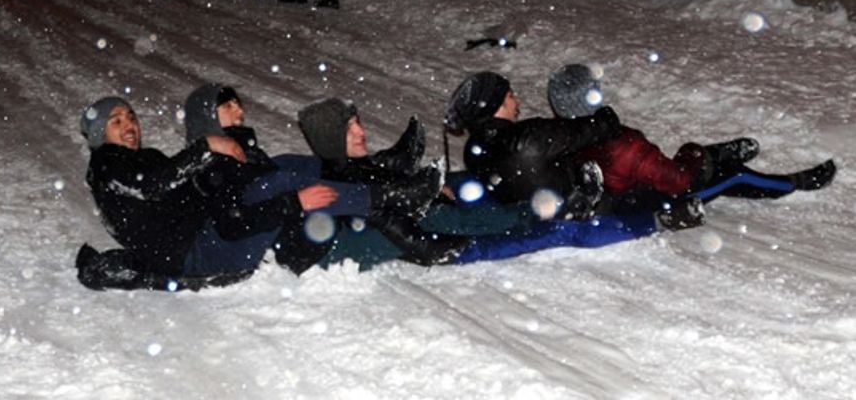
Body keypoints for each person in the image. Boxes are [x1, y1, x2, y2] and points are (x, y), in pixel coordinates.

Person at [298, 98, 703, 271]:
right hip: (420, 227)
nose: (361, 129)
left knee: (463, 194)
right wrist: (437, 224)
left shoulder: (341, 170)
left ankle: (407, 173)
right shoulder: (347, 192)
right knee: (491, 217)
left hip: (395, 207)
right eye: (352, 128)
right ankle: (572, 207)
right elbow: (407, 235)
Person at [78, 96, 339, 290]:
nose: (129, 125)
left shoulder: (147, 158)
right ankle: (361, 195)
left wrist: (219, 177)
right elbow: (153, 186)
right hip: (195, 255)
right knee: (277, 183)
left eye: (132, 117)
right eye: (116, 121)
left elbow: (182, 192)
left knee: (282, 167)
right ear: (101, 133)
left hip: (205, 238)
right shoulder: (106, 163)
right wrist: (206, 147)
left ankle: (349, 175)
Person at [182, 83, 443, 272]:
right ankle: (390, 193)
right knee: (282, 177)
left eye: (238, 103)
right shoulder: (210, 164)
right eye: (228, 105)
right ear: (206, 118)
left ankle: (385, 169)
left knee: (292, 164)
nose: (239, 109)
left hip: (269, 234)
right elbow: (231, 223)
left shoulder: (244, 154)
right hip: (242, 254)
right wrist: (295, 202)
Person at [546, 64, 837, 213]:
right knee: (733, 176)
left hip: (626, 193)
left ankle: (710, 155)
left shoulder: (560, 136)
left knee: (689, 158)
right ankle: (793, 182)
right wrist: (692, 158)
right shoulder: (624, 143)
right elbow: (679, 181)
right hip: (657, 201)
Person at [444, 71, 622, 219]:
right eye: (510, 96)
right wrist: (604, 121)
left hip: (528, 217)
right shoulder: (524, 138)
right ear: (495, 106)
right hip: (577, 211)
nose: (517, 102)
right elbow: (575, 133)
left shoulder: (474, 150)